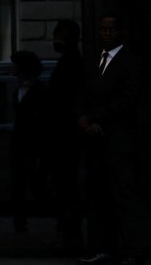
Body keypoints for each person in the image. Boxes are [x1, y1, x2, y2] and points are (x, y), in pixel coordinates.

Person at [78, 15, 145, 265]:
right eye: (103, 29)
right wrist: (84, 119)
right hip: (96, 140)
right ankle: (102, 248)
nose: (106, 33)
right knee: (97, 195)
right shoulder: (95, 60)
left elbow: (127, 99)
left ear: (119, 32)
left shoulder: (129, 61)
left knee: (123, 194)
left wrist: (95, 118)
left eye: (111, 29)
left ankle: (132, 251)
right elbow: (84, 91)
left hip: (119, 139)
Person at [48, 19, 86, 253]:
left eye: (60, 36)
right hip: (65, 137)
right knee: (66, 187)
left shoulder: (71, 65)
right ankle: (70, 234)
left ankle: (72, 237)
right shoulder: (70, 63)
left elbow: (65, 103)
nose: (56, 40)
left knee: (67, 187)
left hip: (66, 138)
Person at [8, 50, 49, 233]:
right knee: (19, 187)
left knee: (37, 187)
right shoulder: (18, 90)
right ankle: (20, 223)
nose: (13, 69)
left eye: (16, 65)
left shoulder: (40, 91)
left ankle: (60, 221)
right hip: (20, 147)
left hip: (32, 147)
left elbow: (42, 124)